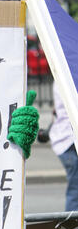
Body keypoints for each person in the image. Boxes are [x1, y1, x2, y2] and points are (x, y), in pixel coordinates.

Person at [49, 83, 78, 211]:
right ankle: (71, 227)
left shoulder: (63, 74)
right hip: (68, 140)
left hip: (65, 139)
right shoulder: (68, 77)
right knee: (75, 189)